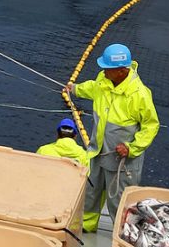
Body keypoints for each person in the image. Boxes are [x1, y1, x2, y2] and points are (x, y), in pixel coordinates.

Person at [66, 42, 159, 233]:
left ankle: (123, 235)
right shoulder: (104, 82)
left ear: (122, 71)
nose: (104, 71)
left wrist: (131, 147)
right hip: (98, 153)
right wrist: (75, 89)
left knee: (119, 201)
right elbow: (92, 88)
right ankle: (86, 225)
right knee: (91, 193)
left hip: (122, 162)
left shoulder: (139, 94)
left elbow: (151, 126)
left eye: (108, 69)